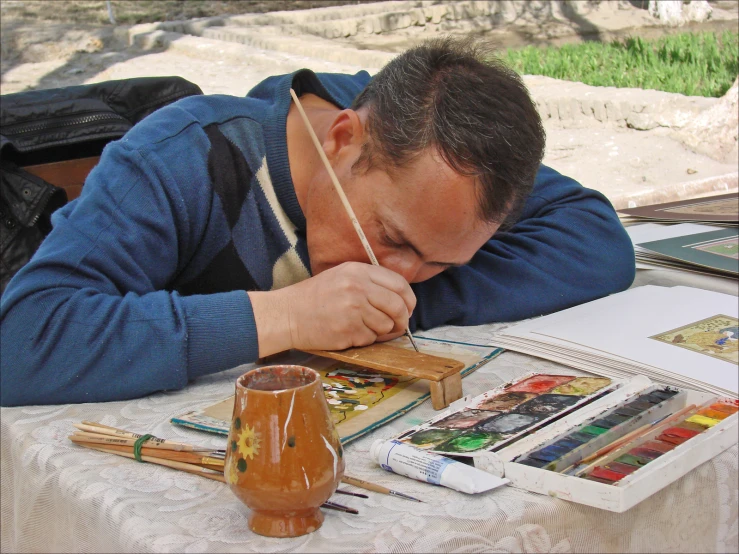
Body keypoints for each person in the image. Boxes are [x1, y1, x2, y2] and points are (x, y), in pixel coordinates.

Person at [0, 37, 634, 407]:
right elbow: (22, 342)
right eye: (392, 240)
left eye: (441, 261)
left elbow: (598, 239)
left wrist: (401, 304)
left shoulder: (455, 163)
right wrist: (287, 318)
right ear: (342, 140)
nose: (405, 274)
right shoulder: (184, 158)